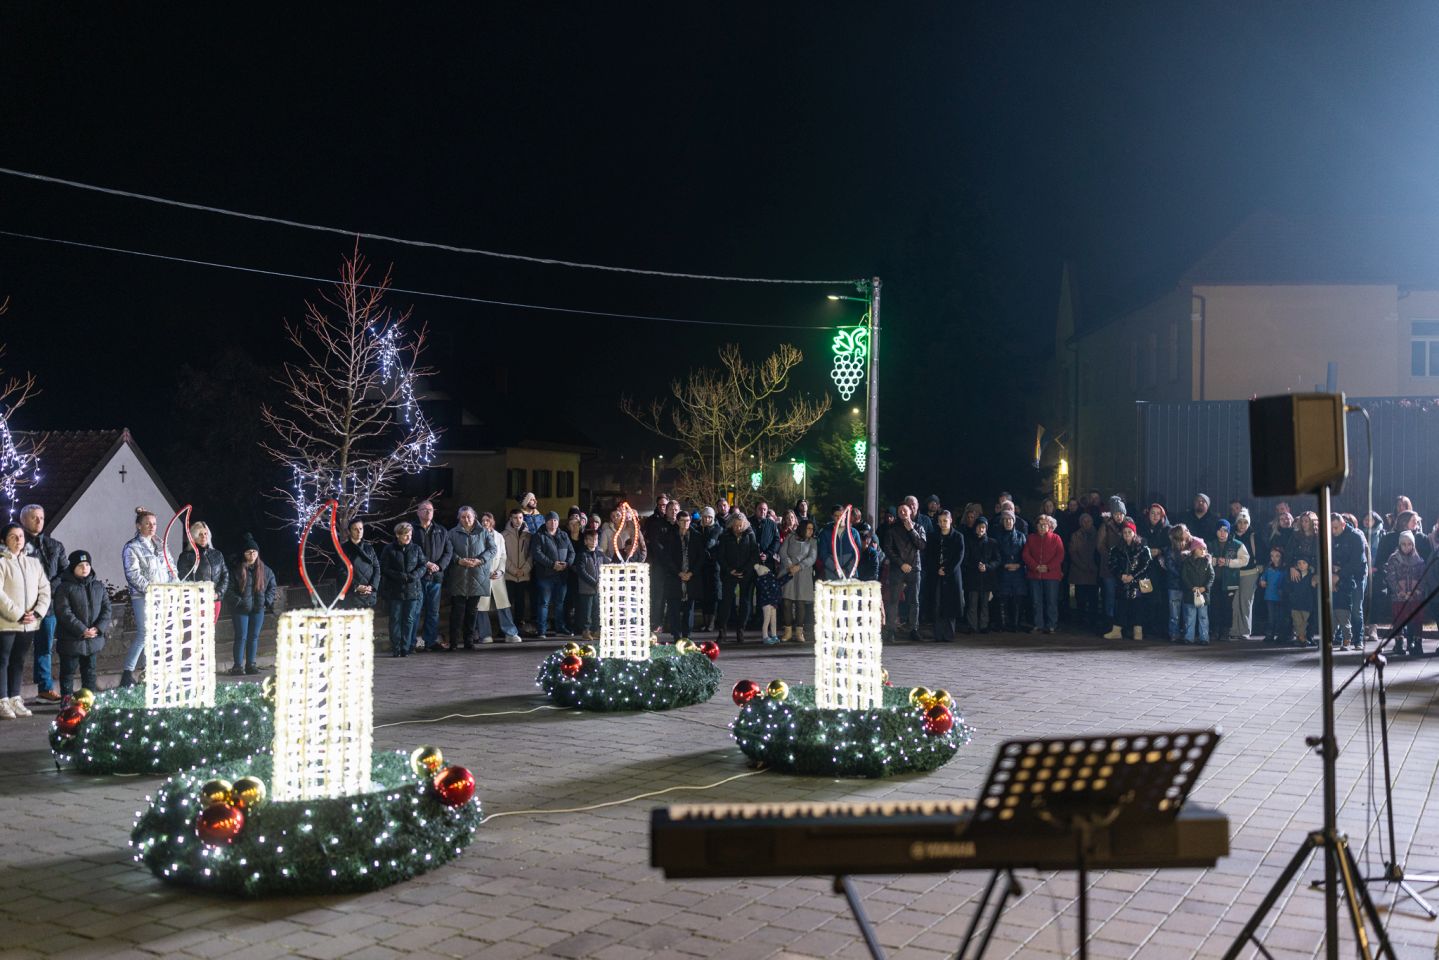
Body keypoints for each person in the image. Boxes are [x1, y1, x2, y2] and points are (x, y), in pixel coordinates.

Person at [0, 521, 50, 719]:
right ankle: (2, 700)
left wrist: (37, 612)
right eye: (13, 536)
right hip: (6, 622)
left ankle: (15, 698)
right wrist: (18, 613)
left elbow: (45, 589)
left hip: (29, 623)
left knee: (19, 661)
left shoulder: (34, 563)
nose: (18, 540)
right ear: (4, 540)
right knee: (3, 660)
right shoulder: (2, 563)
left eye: (20, 536)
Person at [120, 507, 173, 687]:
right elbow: (133, 574)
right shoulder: (132, 547)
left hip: (162, 596)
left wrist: (174, 586)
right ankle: (127, 674)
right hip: (143, 596)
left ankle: (148, 671)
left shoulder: (160, 545)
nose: (152, 527)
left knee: (156, 635)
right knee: (145, 633)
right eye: (148, 523)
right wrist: (152, 590)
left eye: (154, 524)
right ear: (139, 526)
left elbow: (171, 568)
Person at [19, 504, 64, 703]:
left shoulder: (54, 545)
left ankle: (44, 689)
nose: (39, 521)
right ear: (23, 520)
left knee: (44, 648)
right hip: (22, 607)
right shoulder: (16, 543)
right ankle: (10, 693)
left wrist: (45, 590)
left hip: (47, 607)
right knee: (15, 651)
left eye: (41, 517)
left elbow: (63, 573)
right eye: (34, 517)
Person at [53, 549, 111, 701]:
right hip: (71, 639)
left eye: (87, 564)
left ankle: (88, 701)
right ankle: (66, 702)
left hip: (92, 639)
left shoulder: (98, 586)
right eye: (80, 565)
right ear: (73, 567)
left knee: (90, 672)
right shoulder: (64, 588)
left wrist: (97, 628)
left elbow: (106, 609)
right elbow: (63, 612)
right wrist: (82, 630)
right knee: (68, 672)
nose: (84, 568)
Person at [446, 506, 497, 650]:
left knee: (472, 611)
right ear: (459, 518)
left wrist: (480, 560)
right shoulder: (452, 533)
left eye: (469, 516)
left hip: (477, 575)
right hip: (458, 575)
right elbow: (448, 551)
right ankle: (454, 642)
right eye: (463, 517)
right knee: (457, 611)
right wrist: (458, 560)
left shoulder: (483, 532)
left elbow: (492, 549)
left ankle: (469, 641)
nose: (466, 519)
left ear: (474, 517)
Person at [226, 534, 276, 675]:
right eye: (248, 552)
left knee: (253, 637)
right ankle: (237, 666)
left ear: (258, 553)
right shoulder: (236, 570)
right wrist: (238, 602)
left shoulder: (266, 570)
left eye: (254, 551)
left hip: (258, 609)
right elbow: (229, 589)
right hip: (241, 609)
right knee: (241, 636)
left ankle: (251, 665)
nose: (252, 554)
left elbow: (272, 587)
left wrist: (266, 601)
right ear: (244, 553)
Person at [411, 501, 453, 653]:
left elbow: (448, 551)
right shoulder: (411, 530)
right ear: (418, 512)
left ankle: (430, 641)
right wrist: (426, 564)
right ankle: (411, 642)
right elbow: (410, 551)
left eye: (430, 509)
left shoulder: (441, 530)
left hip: (436, 577)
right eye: (424, 509)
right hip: (418, 577)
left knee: (433, 612)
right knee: (416, 610)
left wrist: (439, 566)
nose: (428, 512)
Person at [380, 522, 426, 657]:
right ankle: (396, 647)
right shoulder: (389, 549)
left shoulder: (416, 549)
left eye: (410, 535)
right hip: (395, 589)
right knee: (395, 618)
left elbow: (422, 565)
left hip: (413, 589)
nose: (408, 537)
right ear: (398, 535)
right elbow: (384, 567)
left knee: (409, 619)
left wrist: (414, 576)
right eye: (405, 535)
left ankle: (405, 647)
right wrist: (399, 576)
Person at [883, 503, 927, 641]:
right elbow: (888, 549)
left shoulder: (918, 527)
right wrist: (901, 564)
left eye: (905, 510)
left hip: (915, 568)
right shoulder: (892, 529)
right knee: (893, 600)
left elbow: (922, 545)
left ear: (911, 512)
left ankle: (914, 629)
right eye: (900, 510)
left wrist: (911, 530)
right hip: (898, 568)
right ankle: (890, 630)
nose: (902, 512)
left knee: (914, 601)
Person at [660, 510, 705, 641]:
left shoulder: (696, 536)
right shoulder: (670, 536)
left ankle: (687, 636)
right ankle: (676, 635)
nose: (685, 523)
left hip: (691, 577)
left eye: (688, 521)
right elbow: (666, 558)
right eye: (682, 521)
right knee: (674, 607)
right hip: (675, 576)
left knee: (689, 609)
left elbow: (701, 557)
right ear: (678, 522)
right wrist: (678, 573)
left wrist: (691, 573)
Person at [478, 511, 523, 642]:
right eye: (483, 520)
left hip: (497, 576)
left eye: (487, 520)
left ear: (492, 522)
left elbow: (503, 555)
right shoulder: (477, 536)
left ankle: (510, 633)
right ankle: (485, 634)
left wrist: (500, 571)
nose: (485, 522)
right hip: (482, 575)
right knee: (481, 606)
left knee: (503, 604)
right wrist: (485, 571)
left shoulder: (499, 536)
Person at [1103, 521, 1150, 641]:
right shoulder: (1116, 549)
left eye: (1129, 532)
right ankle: (1117, 631)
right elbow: (1112, 564)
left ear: (1134, 533)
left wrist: (1133, 576)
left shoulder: (1143, 549)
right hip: (1122, 582)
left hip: (1138, 583)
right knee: (1120, 606)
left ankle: (1138, 632)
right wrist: (1121, 575)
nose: (1127, 534)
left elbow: (1146, 565)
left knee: (1138, 606)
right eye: (1125, 532)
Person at [532, 511, 575, 638]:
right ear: (546, 522)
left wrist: (567, 564)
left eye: (555, 520)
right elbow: (537, 553)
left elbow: (572, 552)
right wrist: (552, 564)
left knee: (560, 603)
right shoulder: (539, 535)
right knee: (544, 603)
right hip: (545, 575)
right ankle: (542, 630)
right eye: (550, 520)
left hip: (562, 575)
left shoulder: (563, 535)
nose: (553, 523)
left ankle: (560, 628)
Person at [716, 513, 759, 641]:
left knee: (745, 602)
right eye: (735, 525)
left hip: (746, 574)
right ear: (731, 524)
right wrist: (730, 570)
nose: (738, 528)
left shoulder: (750, 535)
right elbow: (720, 556)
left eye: (740, 525)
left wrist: (745, 570)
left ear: (745, 524)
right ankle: (722, 631)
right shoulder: (725, 536)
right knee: (726, 602)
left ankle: (740, 630)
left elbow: (754, 555)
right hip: (729, 573)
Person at [177, 520, 229, 624]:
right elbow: (183, 579)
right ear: (194, 536)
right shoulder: (186, 556)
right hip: (196, 602)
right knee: (197, 631)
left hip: (214, 601)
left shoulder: (217, 554)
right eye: (200, 534)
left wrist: (218, 593)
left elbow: (225, 575)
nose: (203, 537)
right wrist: (200, 595)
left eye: (205, 533)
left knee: (210, 630)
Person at [1330, 513, 1368, 651]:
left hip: (1356, 577)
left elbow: (1356, 562)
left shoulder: (1355, 537)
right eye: (1331, 528)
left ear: (1343, 525)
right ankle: (1340, 637)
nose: (1333, 531)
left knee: (1356, 609)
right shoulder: (1330, 537)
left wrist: (1339, 573)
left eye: (1335, 528)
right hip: (1337, 575)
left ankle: (1358, 640)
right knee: (1340, 608)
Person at [1386, 530, 1426, 657]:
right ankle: (1399, 644)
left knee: (1416, 619)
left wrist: (1417, 590)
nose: (1406, 547)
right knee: (1399, 619)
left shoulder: (1418, 560)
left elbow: (1422, 577)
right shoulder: (1394, 559)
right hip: (1399, 597)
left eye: (1409, 544)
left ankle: (1415, 643)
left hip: (1415, 596)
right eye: (1403, 544)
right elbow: (1391, 577)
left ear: (1413, 545)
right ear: (1399, 544)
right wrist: (1399, 591)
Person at [1022, 514, 1064, 634]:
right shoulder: (1031, 538)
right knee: (1036, 601)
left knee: (1051, 601)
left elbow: (1060, 555)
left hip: (1051, 575)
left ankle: (1052, 625)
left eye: (1045, 525)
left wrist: (1048, 567)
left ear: (1049, 526)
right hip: (1034, 575)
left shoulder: (1056, 538)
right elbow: (1025, 554)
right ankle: (1038, 624)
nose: (1042, 527)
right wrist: (1035, 566)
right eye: (1040, 525)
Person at [779, 517, 817, 642]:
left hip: (803, 574)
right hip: (788, 572)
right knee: (787, 602)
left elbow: (812, 557)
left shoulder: (812, 541)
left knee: (800, 603)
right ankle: (788, 631)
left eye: (812, 529)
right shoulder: (790, 537)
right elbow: (783, 552)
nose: (811, 531)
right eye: (808, 528)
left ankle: (799, 632)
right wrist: (789, 565)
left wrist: (799, 566)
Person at [930, 510, 965, 641]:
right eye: (940, 521)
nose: (943, 523)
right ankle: (938, 634)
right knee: (937, 603)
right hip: (936, 574)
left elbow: (959, 556)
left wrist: (947, 570)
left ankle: (949, 634)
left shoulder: (958, 537)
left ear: (950, 520)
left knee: (950, 604)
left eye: (945, 520)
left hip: (952, 575)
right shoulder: (933, 536)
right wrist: (937, 569)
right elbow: (929, 556)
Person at [1210, 520, 1248, 640]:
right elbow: (1204, 557)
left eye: (1225, 531)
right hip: (1214, 581)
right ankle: (1215, 630)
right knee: (1214, 606)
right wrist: (1214, 561)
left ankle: (1225, 631)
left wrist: (1228, 562)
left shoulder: (1237, 544)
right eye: (1220, 530)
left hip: (1230, 582)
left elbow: (1245, 560)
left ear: (1229, 532)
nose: (1222, 533)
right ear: (1216, 531)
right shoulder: (1210, 544)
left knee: (1227, 607)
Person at [992, 511, 1028, 633]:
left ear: (1014, 521)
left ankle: (1016, 624)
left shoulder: (1021, 536)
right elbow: (996, 554)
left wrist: (1019, 564)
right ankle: (1003, 624)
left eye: (1010, 519)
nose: (1008, 522)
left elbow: (1025, 553)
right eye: (1005, 520)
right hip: (1003, 571)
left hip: (1018, 571)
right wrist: (1004, 564)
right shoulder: (998, 537)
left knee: (1018, 598)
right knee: (1003, 598)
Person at [1096, 498, 1129, 626]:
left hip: (1125, 567)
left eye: (1121, 514)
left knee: (1123, 595)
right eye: (1116, 514)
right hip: (1109, 567)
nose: (1118, 516)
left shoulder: (1129, 525)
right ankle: (1110, 621)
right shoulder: (1105, 526)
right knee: (1110, 594)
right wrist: (1112, 557)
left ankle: (1121, 621)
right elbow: (1100, 545)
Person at [962, 516, 998, 633]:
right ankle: (972, 626)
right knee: (972, 603)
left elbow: (997, 560)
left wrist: (987, 566)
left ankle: (984, 626)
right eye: (979, 527)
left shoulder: (992, 542)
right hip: (973, 577)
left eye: (983, 527)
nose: (981, 529)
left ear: (986, 528)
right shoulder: (969, 542)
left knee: (985, 604)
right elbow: (965, 559)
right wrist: (976, 566)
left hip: (987, 578)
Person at [1067, 513, 1101, 631]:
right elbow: (1073, 552)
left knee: (1093, 599)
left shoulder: (1098, 534)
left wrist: (1094, 567)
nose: (1087, 523)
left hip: (1093, 571)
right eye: (1084, 521)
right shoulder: (1075, 535)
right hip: (1079, 572)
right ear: (1081, 523)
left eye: (1089, 521)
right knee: (1080, 598)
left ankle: (1092, 621)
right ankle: (1080, 621)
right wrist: (1082, 566)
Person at [1178, 537, 1215, 645]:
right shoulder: (1186, 562)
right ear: (1194, 549)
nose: (1203, 551)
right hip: (1190, 594)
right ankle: (1189, 637)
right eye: (1200, 549)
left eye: (1204, 549)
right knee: (1190, 617)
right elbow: (1184, 576)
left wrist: (1205, 587)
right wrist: (1191, 587)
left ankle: (1204, 638)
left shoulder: (1207, 562)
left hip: (1203, 594)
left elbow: (1211, 576)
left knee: (1203, 617)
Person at [503, 508, 534, 635]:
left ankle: (519, 626)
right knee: (508, 602)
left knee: (521, 602)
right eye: (515, 518)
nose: (518, 520)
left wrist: (524, 570)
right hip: (509, 575)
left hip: (523, 575)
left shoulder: (529, 535)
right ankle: (507, 628)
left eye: (520, 518)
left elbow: (531, 555)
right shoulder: (504, 535)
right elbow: (502, 556)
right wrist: (513, 570)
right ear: (510, 519)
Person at [1232, 509, 1262, 639]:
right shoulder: (1231, 536)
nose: (1242, 525)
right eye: (1240, 522)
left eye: (1245, 522)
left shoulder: (1254, 536)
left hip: (1250, 573)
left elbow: (1261, 553)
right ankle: (1234, 630)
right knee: (1234, 603)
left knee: (1245, 602)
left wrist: (1260, 566)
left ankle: (1245, 630)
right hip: (1234, 573)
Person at [338, 519, 381, 609]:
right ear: (349, 531)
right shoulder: (344, 549)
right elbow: (341, 571)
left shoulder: (369, 548)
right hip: (352, 595)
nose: (359, 531)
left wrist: (372, 586)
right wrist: (356, 586)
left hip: (369, 594)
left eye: (361, 528)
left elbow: (377, 568)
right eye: (355, 529)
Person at [1159, 525, 1192, 642]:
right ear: (1179, 534)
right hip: (1174, 586)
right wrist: (1184, 577)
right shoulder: (1170, 550)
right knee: (1174, 614)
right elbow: (1171, 567)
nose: (1188, 531)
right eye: (1185, 530)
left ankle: (1188, 635)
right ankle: (1174, 634)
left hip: (1187, 586)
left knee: (1188, 613)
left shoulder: (1191, 547)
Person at [573, 528, 605, 640]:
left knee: (597, 610)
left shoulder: (599, 554)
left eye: (595, 539)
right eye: (591, 540)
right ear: (585, 541)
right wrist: (594, 582)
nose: (593, 542)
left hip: (597, 588)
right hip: (586, 588)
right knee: (586, 611)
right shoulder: (582, 554)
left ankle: (596, 630)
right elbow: (582, 571)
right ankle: (586, 631)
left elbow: (604, 566)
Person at [696, 506, 722, 631]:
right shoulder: (698, 528)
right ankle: (705, 622)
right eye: (705, 517)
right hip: (702, 566)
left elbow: (710, 544)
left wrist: (704, 549)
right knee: (704, 594)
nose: (707, 519)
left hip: (714, 566)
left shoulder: (717, 529)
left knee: (714, 595)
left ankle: (711, 622)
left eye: (709, 517)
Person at [1258, 547, 1288, 644]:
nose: (1274, 558)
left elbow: (1286, 582)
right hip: (1270, 596)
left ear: (1281, 556)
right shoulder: (1269, 567)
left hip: (1280, 596)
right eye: (1272, 556)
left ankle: (1281, 636)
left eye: (1277, 556)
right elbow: (1263, 577)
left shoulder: (1284, 569)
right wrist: (1262, 581)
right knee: (1271, 617)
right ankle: (1270, 635)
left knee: (1280, 617)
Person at [1288, 556, 1319, 647]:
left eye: (1304, 563)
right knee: (1297, 622)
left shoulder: (1311, 577)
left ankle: (1302, 638)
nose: (1301, 565)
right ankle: (1302, 638)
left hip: (1306, 604)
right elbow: (1290, 588)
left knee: (1304, 622)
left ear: (1308, 565)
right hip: (1295, 604)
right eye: (1299, 563)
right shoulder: (1294, 575)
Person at [755, 557, 782, 645]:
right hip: (768, 603)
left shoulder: (771, 579)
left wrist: (789, 576)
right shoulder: (764, 581)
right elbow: (768, 593)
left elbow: (779, 583)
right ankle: (765, 636)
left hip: (773, 603)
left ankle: (774, 635)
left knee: (773, 620)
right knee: (767, 619)